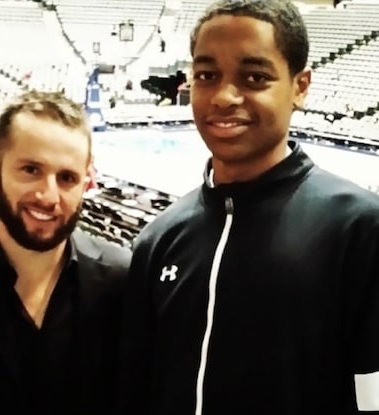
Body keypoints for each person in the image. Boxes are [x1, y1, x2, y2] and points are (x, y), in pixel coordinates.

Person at [117, 1, 379, 414]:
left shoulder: (360, 228)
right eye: (207, 76)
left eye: (254, 77)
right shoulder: (159, 238)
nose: (223, 96)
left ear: (300, 86)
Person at [0, 90, 131, 414]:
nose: (48, 196)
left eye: (66, 178)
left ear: (86, 182)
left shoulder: (123, 283)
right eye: (31, 170)